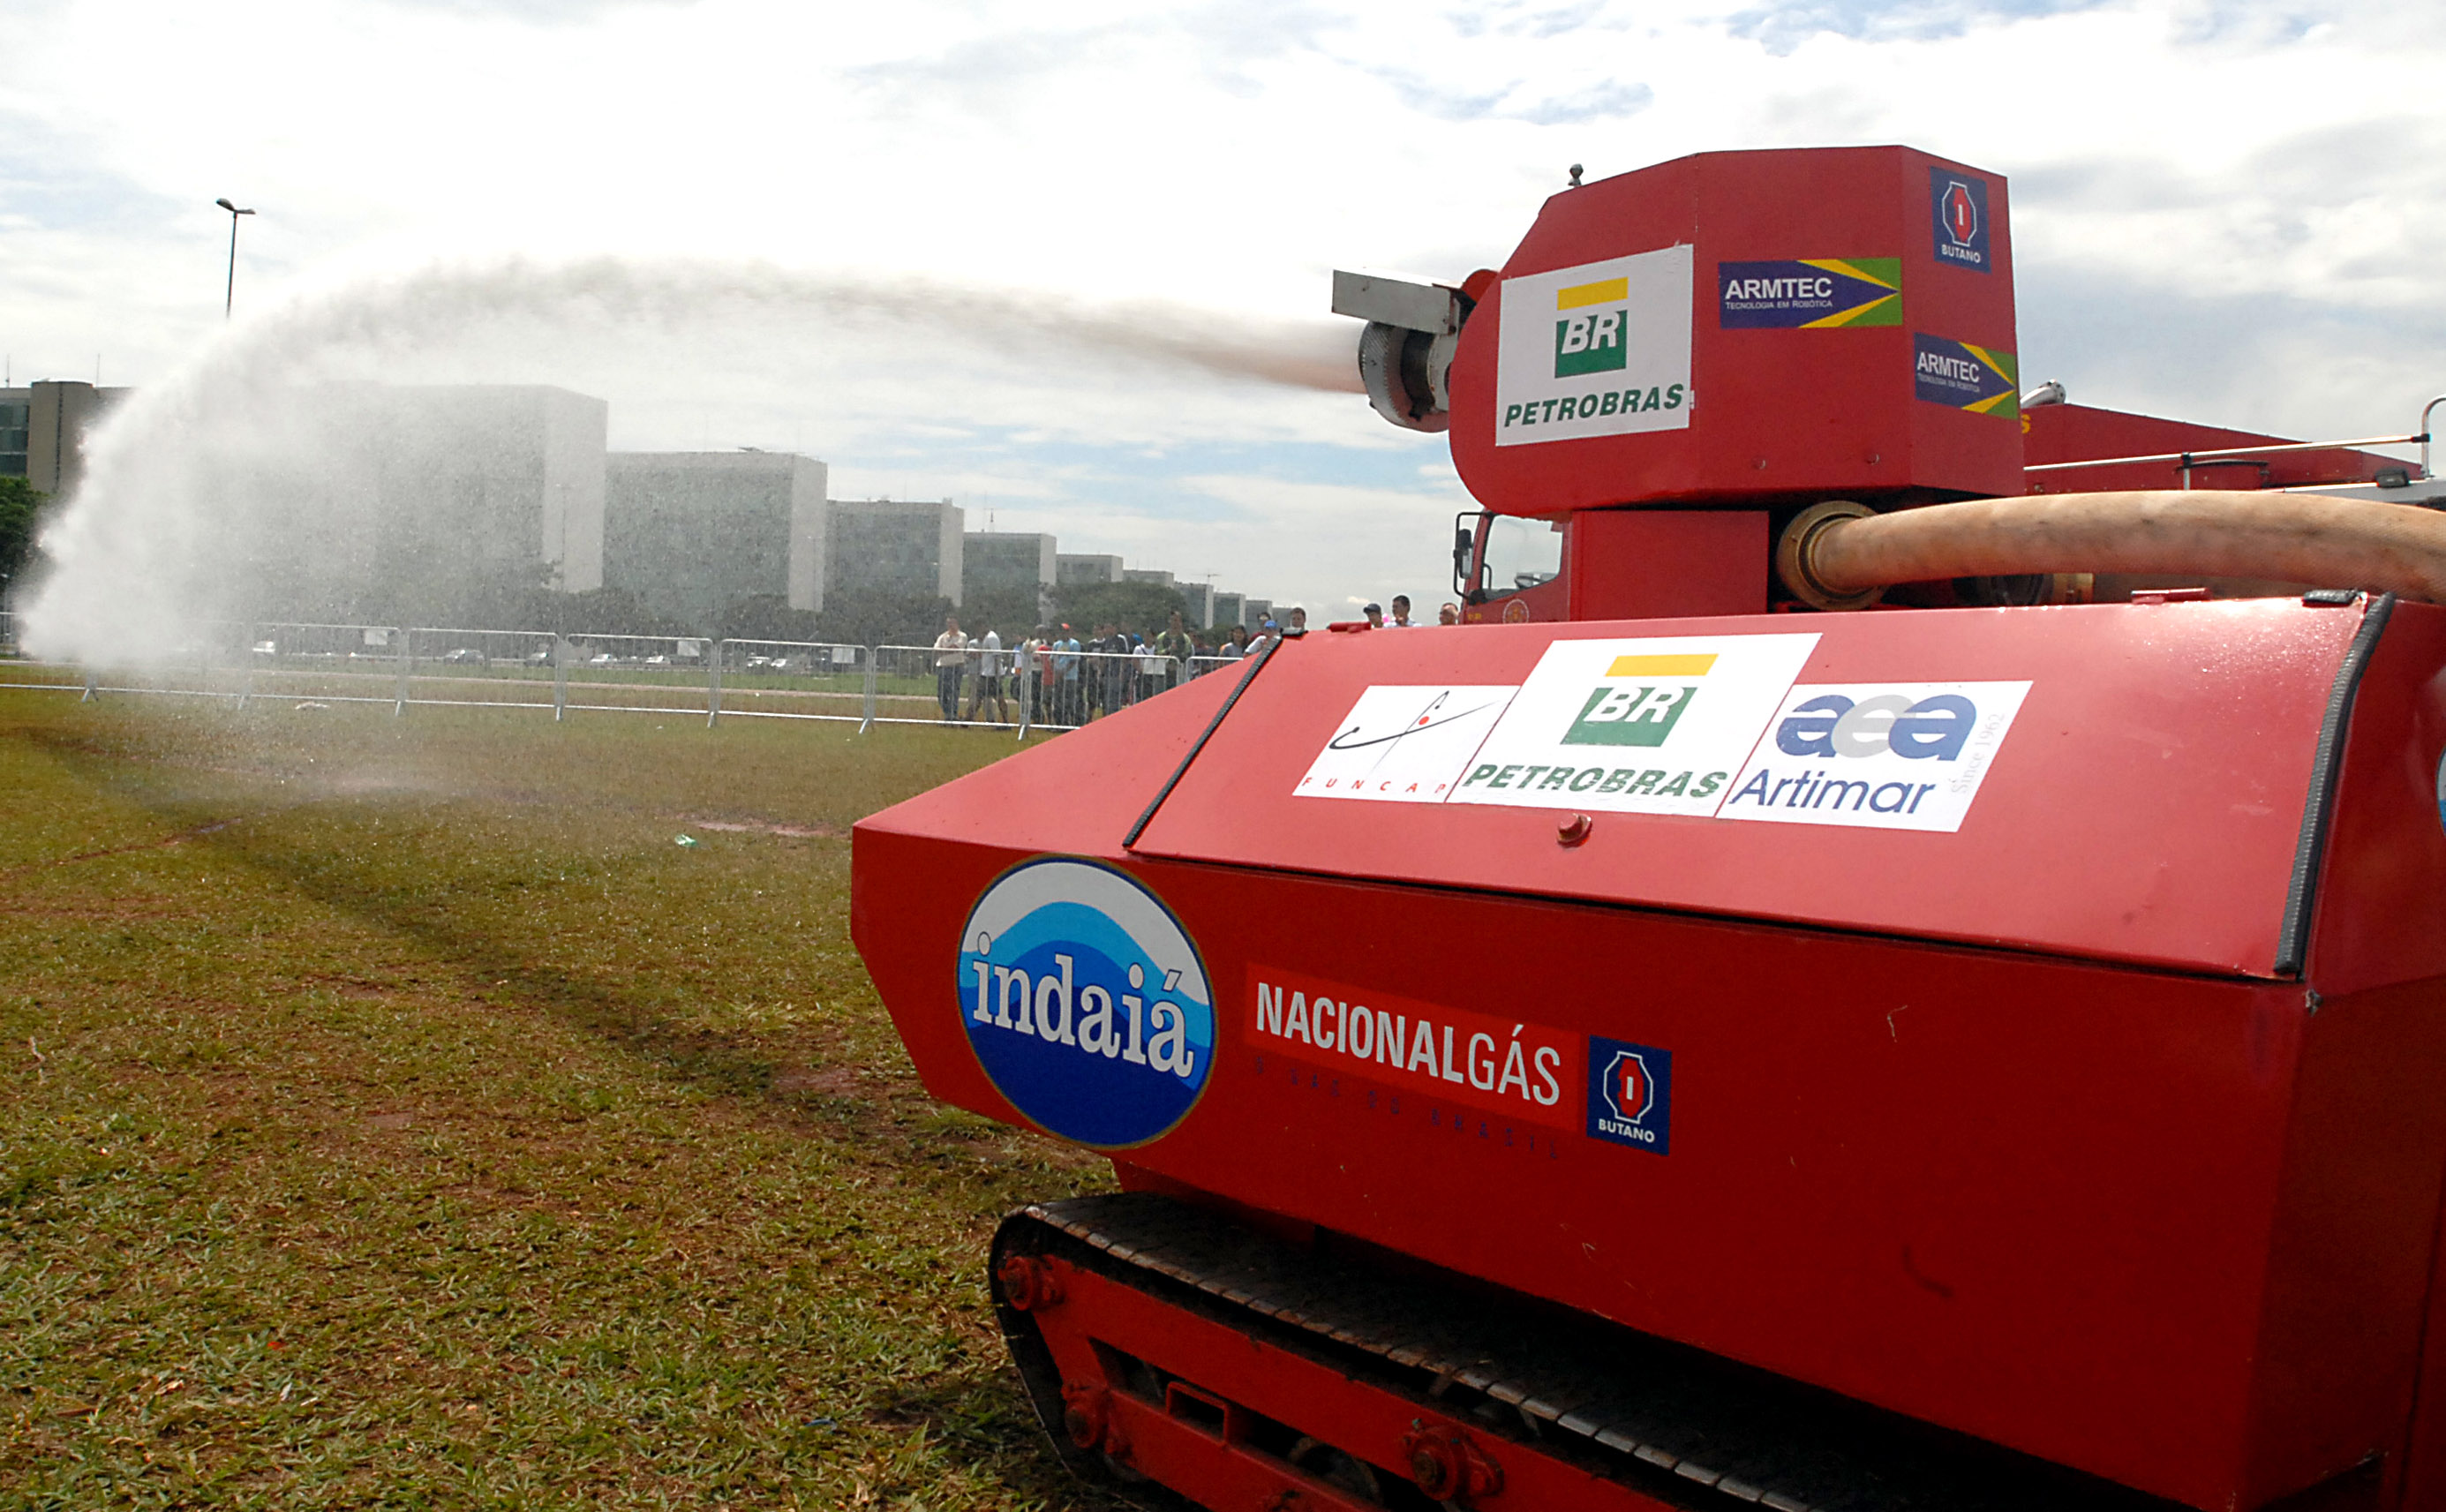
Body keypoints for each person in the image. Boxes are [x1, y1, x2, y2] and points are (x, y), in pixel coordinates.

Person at [966, 627, 1009, 725]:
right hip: (987, 673)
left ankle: (967, 720)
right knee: (994, 698)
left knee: (982, 698)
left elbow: (997, 656)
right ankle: (967, 719)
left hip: (991, 675)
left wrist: (997, 674)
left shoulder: (992, 638)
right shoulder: (988, 638)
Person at [931, 616, 967, 721]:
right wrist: (947, 649)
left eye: (952, 623)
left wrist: (945, 650)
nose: (950, 625)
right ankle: (948, 714)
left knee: (954, 693)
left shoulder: (962, 636)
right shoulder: (943, 636)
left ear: (957, 623)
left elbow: (957, 648)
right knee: (942, 694)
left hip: (956, 667)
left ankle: (953, 715)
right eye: (948, 623)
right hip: (943, 667)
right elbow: (937, 649)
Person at [1155, 611, 1194, 690]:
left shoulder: (1186, 639)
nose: (1175, 623)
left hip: (1179, 673)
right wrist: (1168, 650)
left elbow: (1188, 655)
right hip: (1163, 673)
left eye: (1177, 620)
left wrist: (1177, 663)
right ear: (1169, 621)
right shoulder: (1161, 637)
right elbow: (1157, 653)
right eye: (1173, 620)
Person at [1054, 625, 1083, 726]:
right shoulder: (1057, 644)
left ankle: (1074, 721)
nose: (1063, 634)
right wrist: (1056, 672)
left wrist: (1063, 672)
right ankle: (1061, 722)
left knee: (1070, 700)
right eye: (1061, 632)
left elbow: (1073, 660)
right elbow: (1053, 658)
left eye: (1065, 631)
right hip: (1059, 676)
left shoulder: (1074, 644)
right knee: (1059, 700)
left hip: (1070, 677)